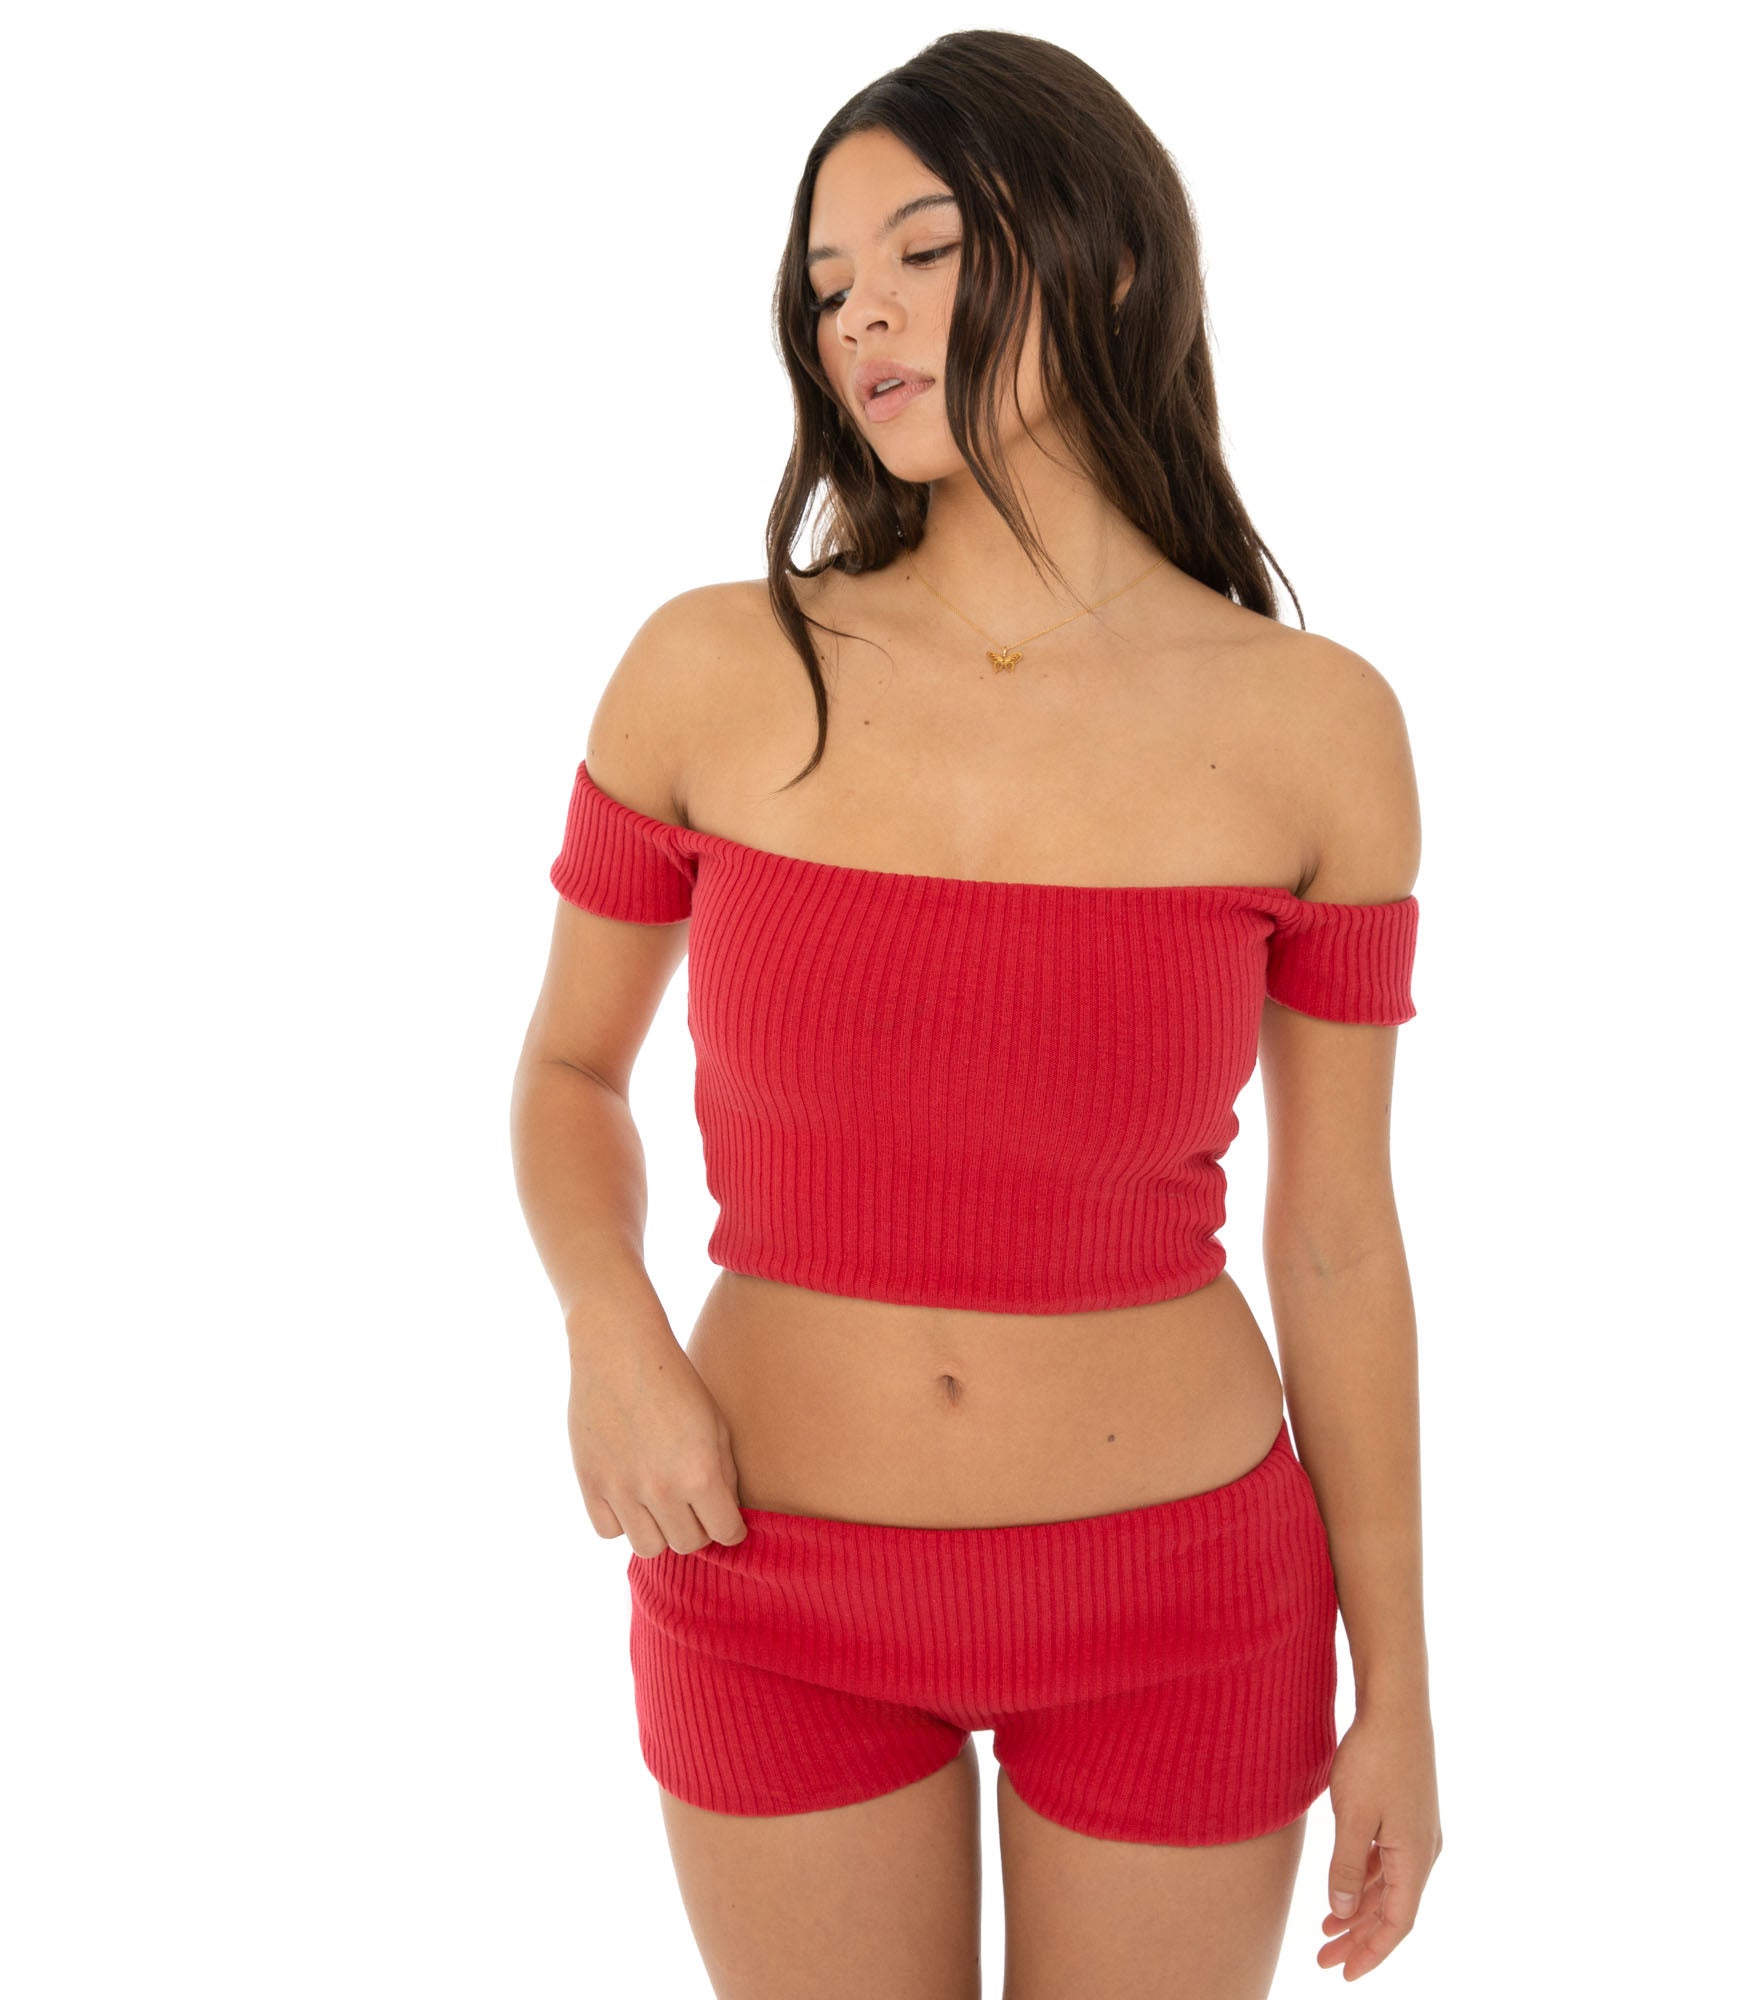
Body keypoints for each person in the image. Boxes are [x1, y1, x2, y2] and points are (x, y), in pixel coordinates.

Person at [511, 29, 1440, 1998]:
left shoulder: (1315, 728)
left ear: (1111, 256)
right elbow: (569, 1067)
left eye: (923, 253)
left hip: (1182, 1602)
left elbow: (1340, 1236)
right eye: (828, 282)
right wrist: (607, 1322)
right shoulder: (714, 671)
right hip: (767, 1575)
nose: (862, 316)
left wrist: (1404, 1690)